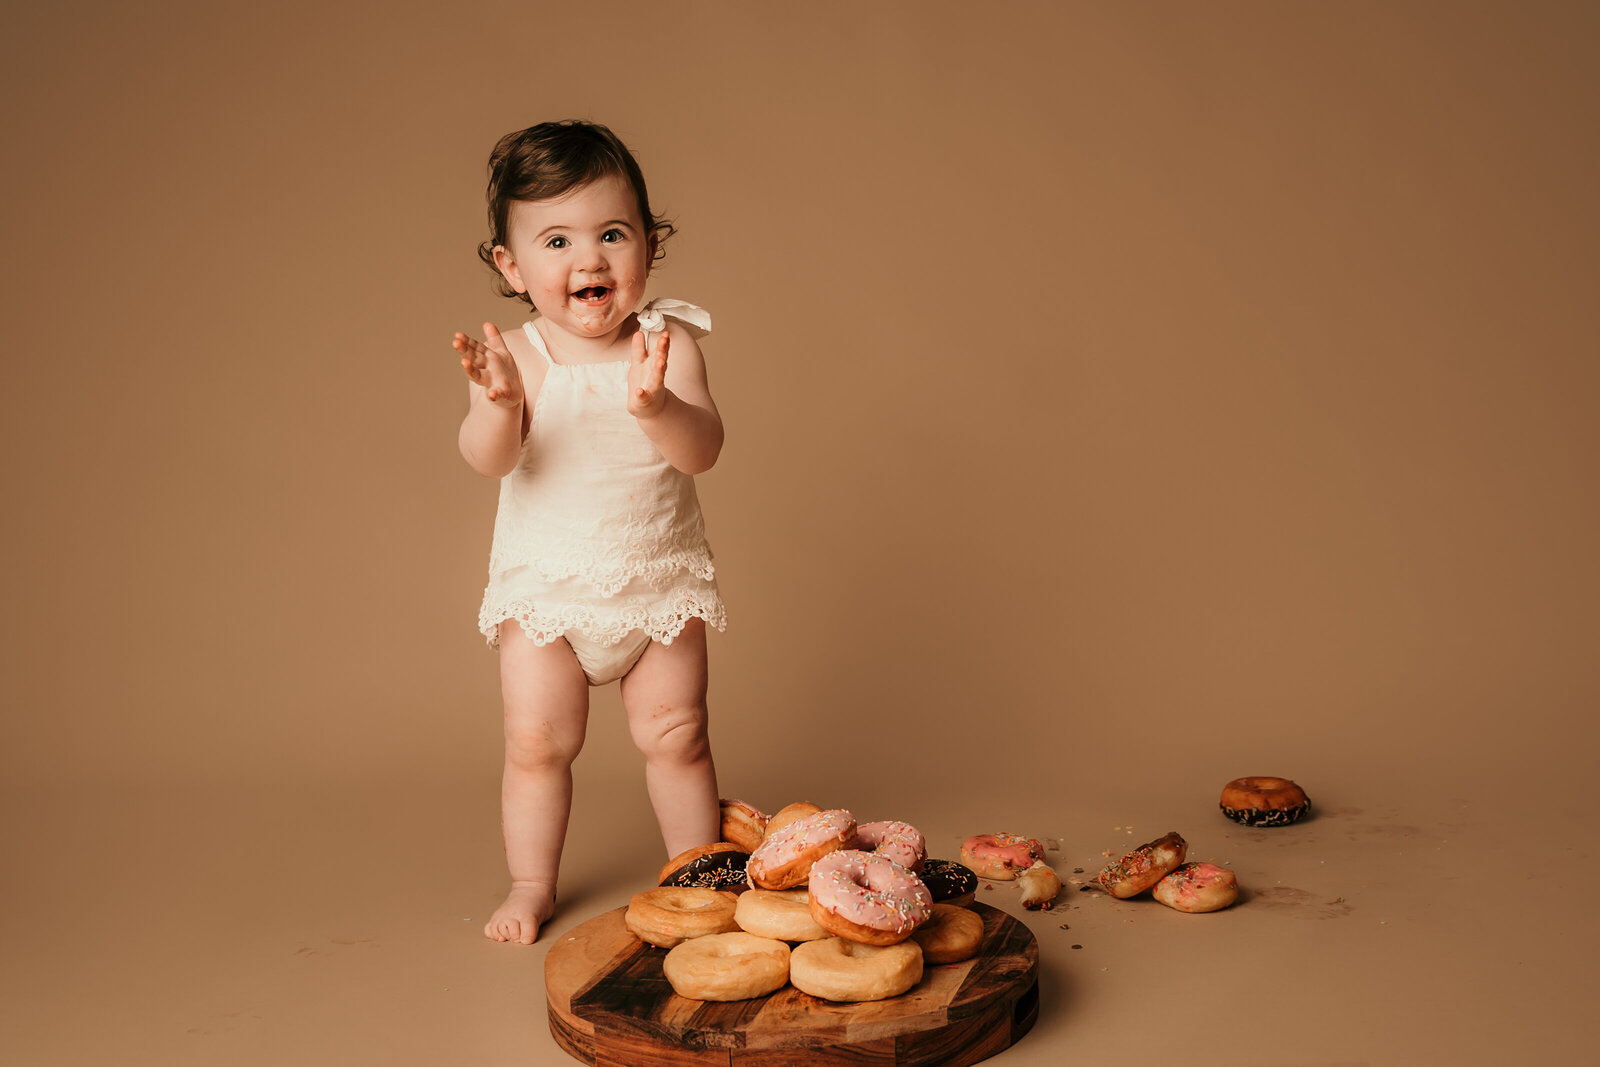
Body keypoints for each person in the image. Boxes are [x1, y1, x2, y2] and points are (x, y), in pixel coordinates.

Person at [452, 121, 727, 944]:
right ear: (513, 265)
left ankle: (695, 874)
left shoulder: (664, 348)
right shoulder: (522, 358)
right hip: (548, 593)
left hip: (657, 583)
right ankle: (532, 881)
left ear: (649, 243)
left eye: (613, 234)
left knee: (678, 734)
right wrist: (500, 407)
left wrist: (658, 407)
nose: (590, 260)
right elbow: (488, 461)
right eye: (557, 239)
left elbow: (704, 449)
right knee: (537, 742)